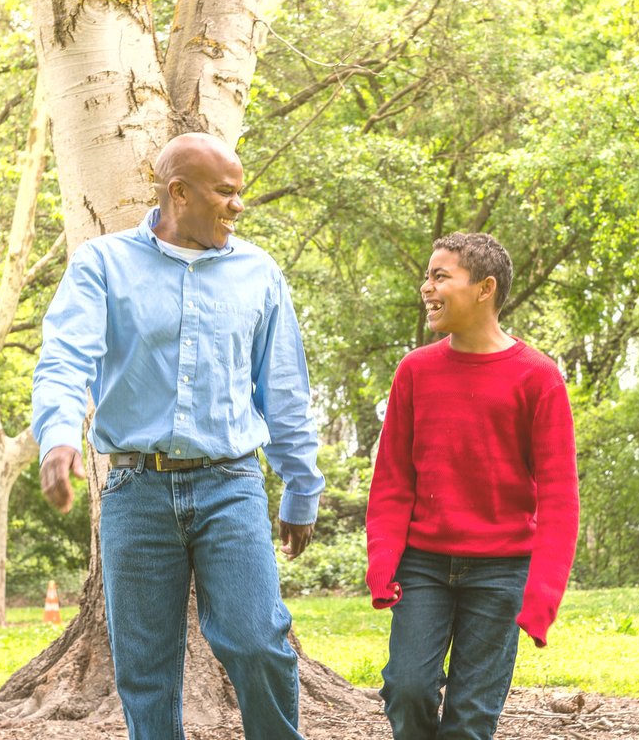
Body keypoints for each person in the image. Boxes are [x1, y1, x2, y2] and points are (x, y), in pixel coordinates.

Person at [31, 132, 324, 740]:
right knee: (143, 667)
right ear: (179, 193)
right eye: (226, 191)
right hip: (136, 489)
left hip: (231, 484)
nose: (237, 205)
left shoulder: (258, 272)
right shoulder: (103, 263)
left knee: (257, 641)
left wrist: (301, 485)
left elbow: (285, 387)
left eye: (239, 192)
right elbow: (65, 358)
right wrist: (58, 436)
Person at [365, 232, 579, 740]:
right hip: (423, 565)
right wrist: (382, 561)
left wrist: (543, 593)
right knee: (408, 688)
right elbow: (393, 479)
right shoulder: (414, 371)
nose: (427, 287)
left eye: (441, 276)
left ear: (485, 289)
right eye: (427, 275)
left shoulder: (538, 378)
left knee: (471, 718)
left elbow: (559, 498)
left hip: (502, 570)